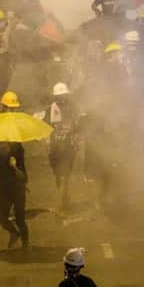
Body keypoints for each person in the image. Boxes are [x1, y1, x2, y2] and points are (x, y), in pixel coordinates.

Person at [0, 141, 29, 250]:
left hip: (18, 189)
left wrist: (14, 167)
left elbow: (24, 177)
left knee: (20, 219)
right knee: (2, 218)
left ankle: (26, 243)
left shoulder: (17, 153)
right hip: (5, 190)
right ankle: (14, 233)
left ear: (6, 143)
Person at [44, 82, 80, 211]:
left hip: (68, 148)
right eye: (59, 96)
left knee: (65, 175)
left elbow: (78, 127)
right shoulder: (51, 109)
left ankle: (61, 203)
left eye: (63, 95)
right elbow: (46, 127)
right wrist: (47, 143)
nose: (61, 98)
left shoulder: (73, 108)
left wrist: (76, 139)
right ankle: (64, 197)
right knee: (58, 176)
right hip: (55, 149)